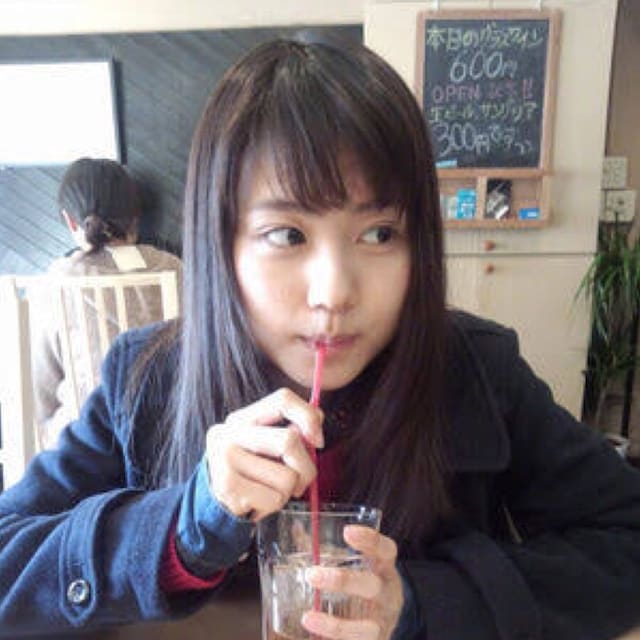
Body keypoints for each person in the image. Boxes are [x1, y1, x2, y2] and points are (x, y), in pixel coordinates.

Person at [0, 34, 639, 640]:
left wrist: (420, 603)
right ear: (222, 245)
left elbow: (625, 537)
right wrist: (183, 527)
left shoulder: (476, 370)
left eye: (379, 234)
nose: (334, 292)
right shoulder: (147, 377)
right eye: (287, 235)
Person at [28, 157, 183, 449]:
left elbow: (40, 392)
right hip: (164, 437)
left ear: (70, 220)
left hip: (83, 442)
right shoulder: (173, 268)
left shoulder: (55, 281)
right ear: (135, 217)